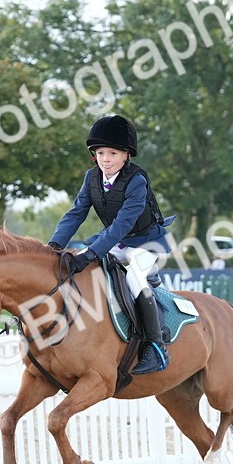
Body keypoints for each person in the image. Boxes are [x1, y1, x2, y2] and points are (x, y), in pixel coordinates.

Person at [48, 115, 175, 374]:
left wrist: (93, 252)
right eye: (100, 153)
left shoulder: (137, 180)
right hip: (117, 240)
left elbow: (122, 225)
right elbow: (76, 213)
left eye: (113, 153)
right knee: (79, 267)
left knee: (135, 279)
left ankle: (156, 345)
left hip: (147, 242)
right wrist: (53, 245)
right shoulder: (91, 178)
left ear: (127, 155)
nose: (106, 159)